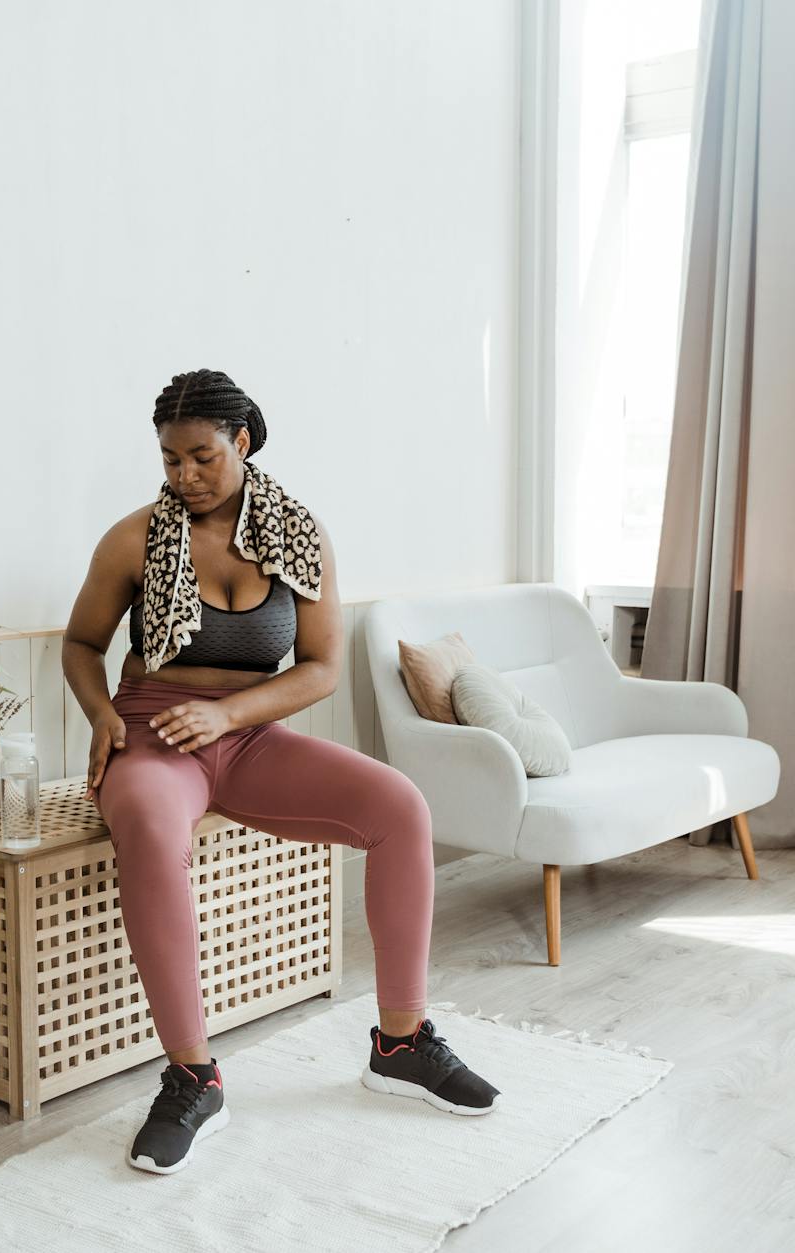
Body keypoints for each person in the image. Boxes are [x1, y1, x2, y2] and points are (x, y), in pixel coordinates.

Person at [62, 368, 500, 1175]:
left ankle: (400, 1045)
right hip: (153, 734)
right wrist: (100, 715)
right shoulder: (133, 540)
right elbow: (81, 644)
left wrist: (230, 715)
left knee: (401, 807)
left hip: (251, 737)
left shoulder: (302, 536)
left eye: (201, 456)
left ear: (243, 441)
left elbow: (323, 666)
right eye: (169, 460)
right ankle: (194, 1078)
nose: (184, 476)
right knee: (153, 831)